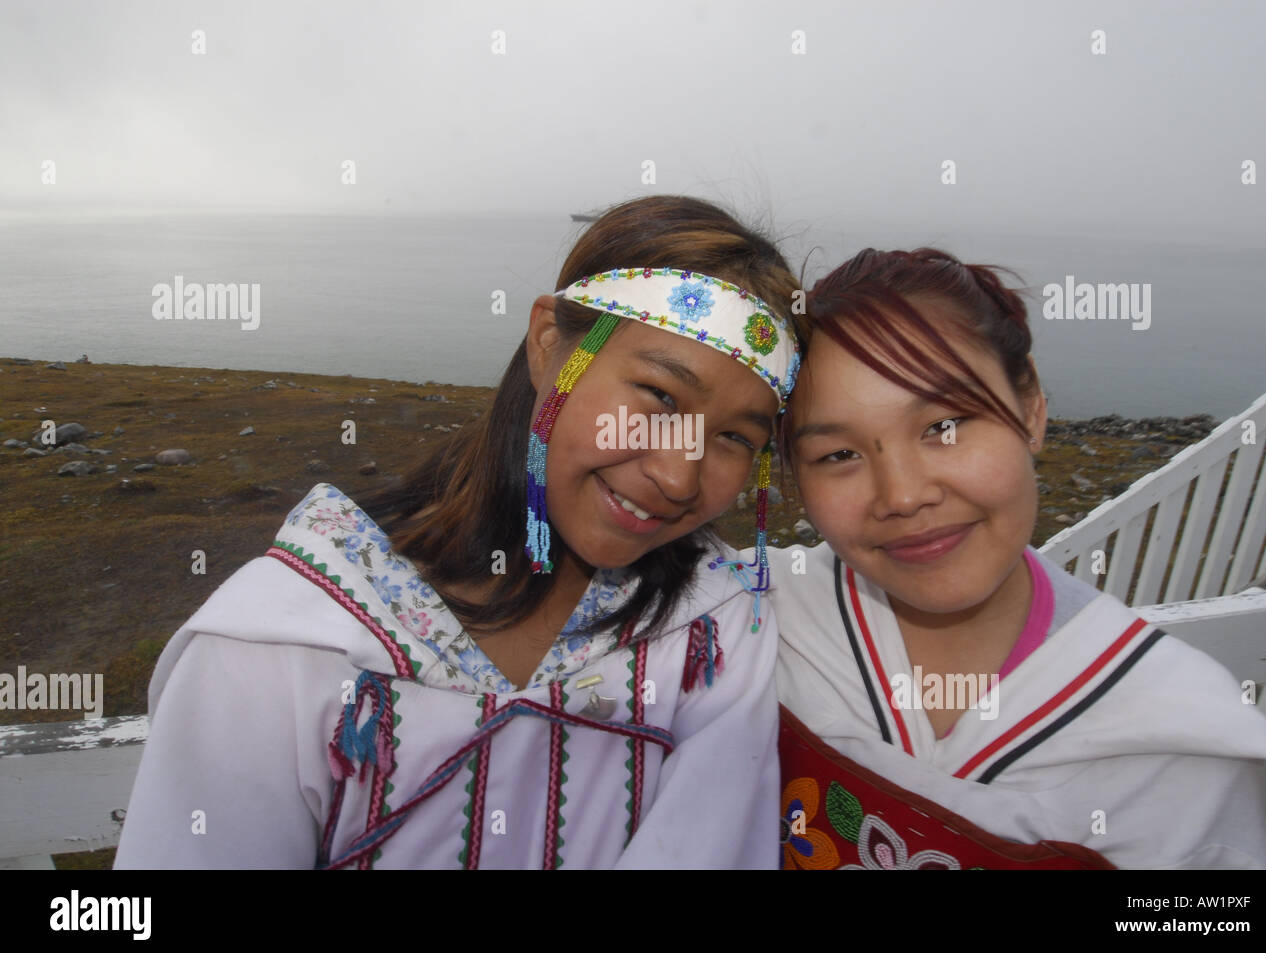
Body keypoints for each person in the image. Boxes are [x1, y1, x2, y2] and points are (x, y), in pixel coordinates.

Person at [114, 195, 804, 869]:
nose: (680, 478)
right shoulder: (280, 647)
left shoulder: (713, 635)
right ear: (547, 344)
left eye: (736, 438)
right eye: (658, 396)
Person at [764, 246, 1266, 869]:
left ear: (1032, 408)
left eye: (945, 425)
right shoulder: (762, 625)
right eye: (838, 455)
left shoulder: (1187, 748)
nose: (904, 495)